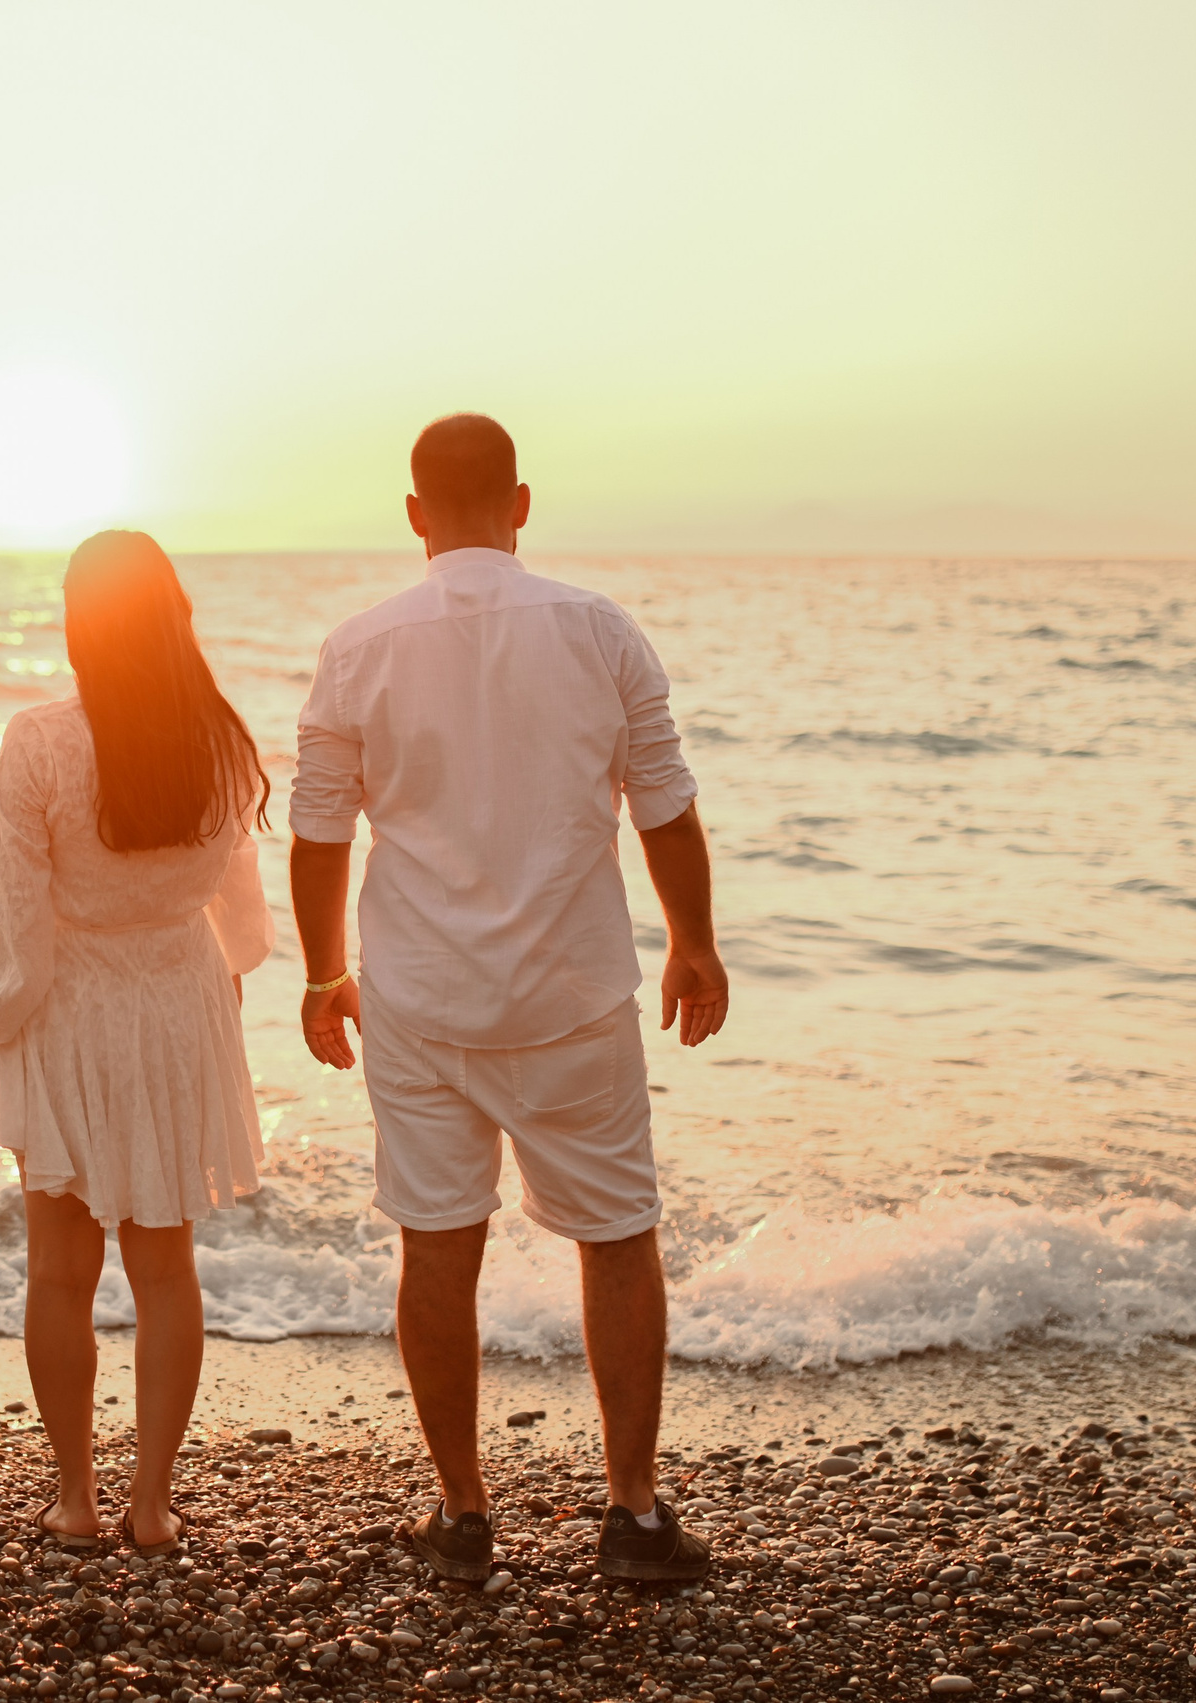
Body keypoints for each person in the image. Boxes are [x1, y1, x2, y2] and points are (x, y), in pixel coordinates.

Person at [288, 414, 730, 1584]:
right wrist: (695, 943)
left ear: (415, 512)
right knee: (618, 1239)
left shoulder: (357, 645)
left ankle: (463, 1509)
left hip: (421, 1002)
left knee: (437, 1247)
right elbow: (665, 808)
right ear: (521, 503)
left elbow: (319, 830)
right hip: (574, 995)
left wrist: (323, 970)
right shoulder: (597, 628)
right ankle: (632, 1515)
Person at [0, 529, 275, 1554]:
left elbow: (14, 910)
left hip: (72, 1003)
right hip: (179, 995)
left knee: (58, 1270)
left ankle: (77, 1498)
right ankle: (150, 1502)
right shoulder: (219, 738)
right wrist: (213, 992)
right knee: (166, 1266)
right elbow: (239, 909)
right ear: (174, 613)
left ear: (79, 622)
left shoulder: (41, 739)